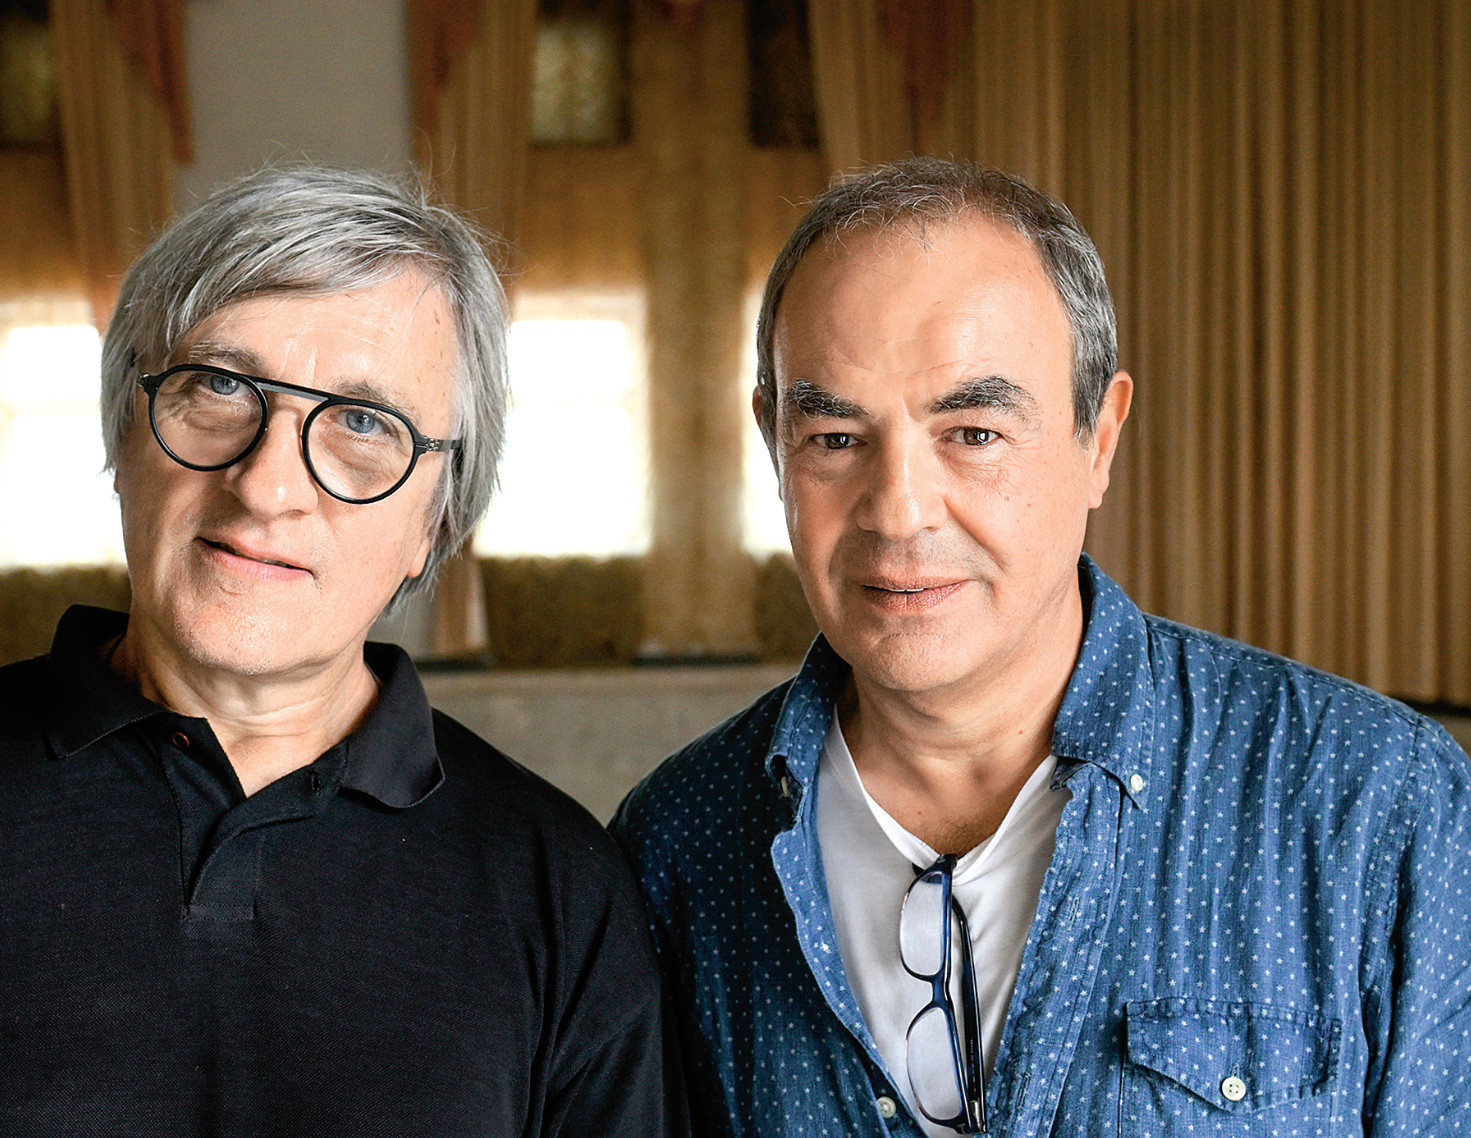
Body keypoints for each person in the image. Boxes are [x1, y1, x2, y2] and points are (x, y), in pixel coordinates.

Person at [0, 165, 673, 1136]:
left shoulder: (560, 888)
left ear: (434, 520)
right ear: (124, 428)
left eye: (362, 422)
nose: (266, 487)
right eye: (220, 385)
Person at [610, 156, 1471, 1136]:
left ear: (1097, 438)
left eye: (972, 432)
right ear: (773, 443)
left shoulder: (1375, 805)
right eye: (836, 439)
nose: (898, 511)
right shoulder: (675, 847)